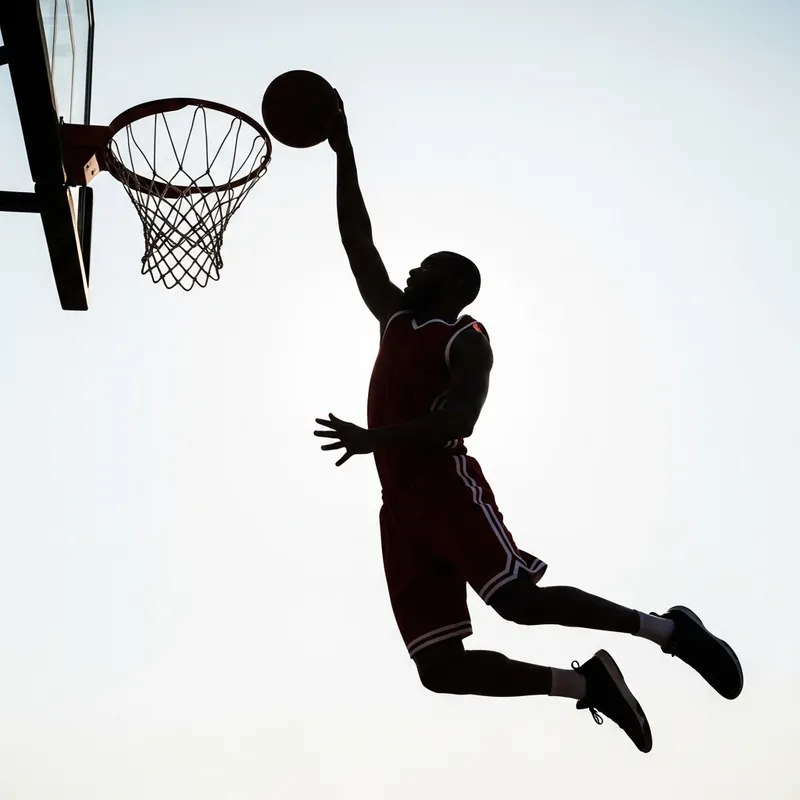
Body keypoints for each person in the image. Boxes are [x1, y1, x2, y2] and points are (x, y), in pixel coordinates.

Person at [313, 95, 743, 753]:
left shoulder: (466, 339)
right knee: (439, 669)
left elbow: (459, 418)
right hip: (398, 504)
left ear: (452, 285)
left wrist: (377, 439)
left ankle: (671, 632)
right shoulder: (396, 319)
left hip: (443, 483)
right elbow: (356, 240)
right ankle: (589, 687)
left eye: (425, 265)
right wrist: (343, 152)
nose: (409, 268)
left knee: (518, 601)